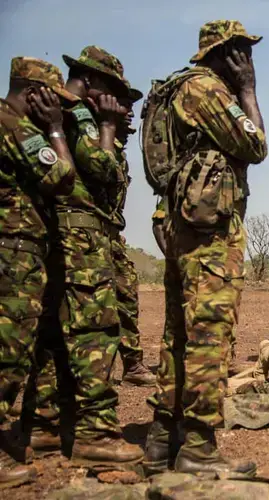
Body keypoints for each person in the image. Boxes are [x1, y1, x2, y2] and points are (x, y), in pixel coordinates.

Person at [143, 19, 267, 476]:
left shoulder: (181, 90)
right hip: (211, 234)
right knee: (208, 335)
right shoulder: (208, 90)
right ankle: (198, 446)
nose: (248, 62)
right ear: (226, 54)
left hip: (184, 227)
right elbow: (255, 144)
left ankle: (161, 440)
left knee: (178, 333)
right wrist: (249, 91)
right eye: (243, 53)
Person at [22, 46, 143, 467]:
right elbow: (102, 169)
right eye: (112, 89)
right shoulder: (78, 113)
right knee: (95, 332)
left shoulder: (44, 105)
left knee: (52, 336)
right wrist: (107, 124)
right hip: (80, 236)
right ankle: (96, 433)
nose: (117, 100)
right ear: (90, 81)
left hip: (51, 234)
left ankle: (44, 426)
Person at [0, 57, 77, 489]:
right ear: (35, 94)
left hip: (16, 251)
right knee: (7, 351)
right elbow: (62, 175)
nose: (60, 109)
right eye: (53, 101)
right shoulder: (16, 127)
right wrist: (54, 129)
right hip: (12, 252)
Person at [111, 84, 156, 386]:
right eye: (123, 105)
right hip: (78, 239)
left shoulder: (114, 148)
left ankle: (132, 364)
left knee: (125, 297)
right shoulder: (86, 139)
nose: (130, 113)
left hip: (109, 237)